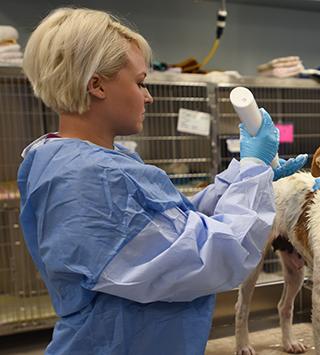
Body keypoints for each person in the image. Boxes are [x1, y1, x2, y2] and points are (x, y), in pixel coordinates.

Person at [17, 8, 305, 354]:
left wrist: (248, 176)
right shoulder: (92, 180)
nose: (148, 96)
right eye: (140, 83)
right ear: (96, 84)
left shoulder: (77, 160)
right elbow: (215, 256)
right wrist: (254, 169)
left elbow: (174, 224)